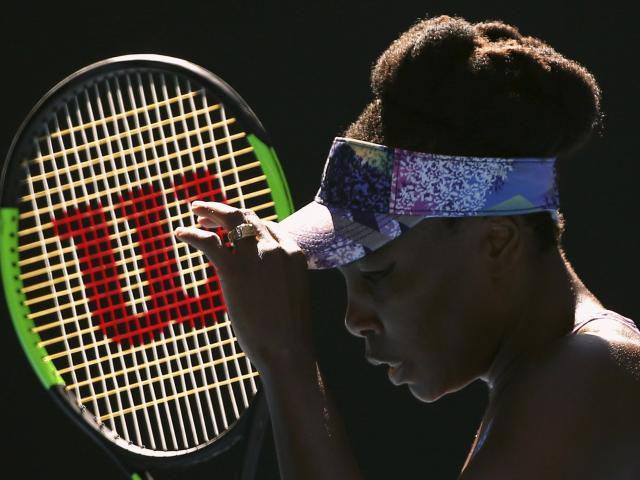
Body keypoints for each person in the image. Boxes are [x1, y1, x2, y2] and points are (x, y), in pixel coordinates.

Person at [175, 14, 640, 479]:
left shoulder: (590, 372)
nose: (353, 319)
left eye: (379, 274)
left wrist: (285, 358)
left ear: (497, 242)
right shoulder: (563, 377)